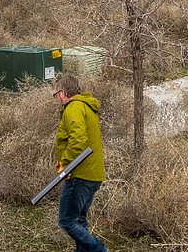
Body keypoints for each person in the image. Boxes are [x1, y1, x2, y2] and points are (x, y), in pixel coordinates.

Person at [53, 73, 107, 252]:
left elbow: (78, 141)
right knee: (79, 219)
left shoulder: (74, 108)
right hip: (93, 173)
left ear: (62, 92)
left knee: (67, 220)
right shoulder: (86, 105)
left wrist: (64, 162)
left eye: (56, 94)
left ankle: (99, 250)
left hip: (80, 173)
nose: (57, 98)